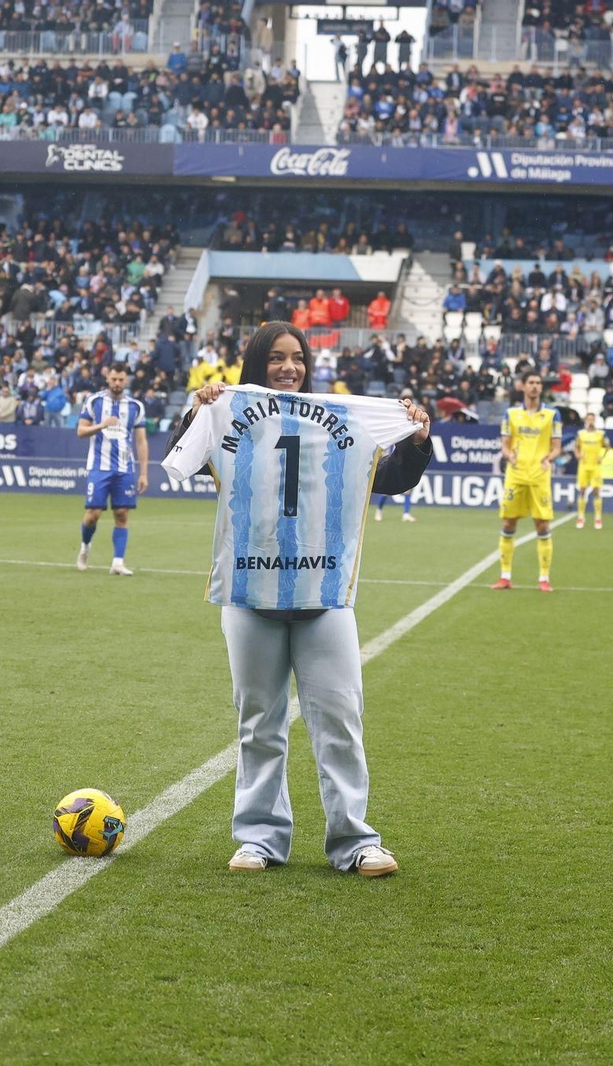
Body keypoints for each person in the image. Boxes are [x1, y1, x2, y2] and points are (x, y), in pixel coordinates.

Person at [161, 322, 431, 877]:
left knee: (340, 719)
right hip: (249, 593)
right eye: (277, 358)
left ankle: (355, 841)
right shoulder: (225, 409)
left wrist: (415, 438)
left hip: (324, 593)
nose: (290, 367)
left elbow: (390, 478)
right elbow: (182, 458)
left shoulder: (340, 417)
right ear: (256, 364)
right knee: (259, 723)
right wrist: (197, 412)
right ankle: (259, 839)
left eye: (299, 358)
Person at [491, 371, 561, 591]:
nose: (535, 386)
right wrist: (509, 455)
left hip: (540, 476)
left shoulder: (552, 415)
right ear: (523, 386)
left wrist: (548, 458)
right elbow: (505, 444)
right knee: (508, 523)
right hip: (516, 474)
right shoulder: (511, 414)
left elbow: (556, 447)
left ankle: (544, 579)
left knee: (542, 524)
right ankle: (505, 576)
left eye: (538, 383)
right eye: (531, 382)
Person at [76, 362, 148, 576]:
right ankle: (85, 547)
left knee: (122, 513)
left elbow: (141, 441)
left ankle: (117, 562)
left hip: (125, 468)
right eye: (114, 379)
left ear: (126, 380)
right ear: (107, 378)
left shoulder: (135, 406)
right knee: (93, 514)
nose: (117, 383)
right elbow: (81, 431)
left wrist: (143, 473)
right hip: (99, 466)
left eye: (121, 380)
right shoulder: (94, 401)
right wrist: (101, 425)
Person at [573, 412, 609, 529]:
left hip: (595, 466)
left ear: (595, 420)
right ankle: (580, 517)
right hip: (583, 466)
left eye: (592, 419)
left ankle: (598, 518)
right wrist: (577, 455)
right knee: (582, 490)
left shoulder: (601, 434)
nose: (590, 421)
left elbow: (607, 446)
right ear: (586, 421)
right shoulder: (581, 434)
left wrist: (602, 456)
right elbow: (576, 447)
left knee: (596, 491)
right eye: (588, 419)